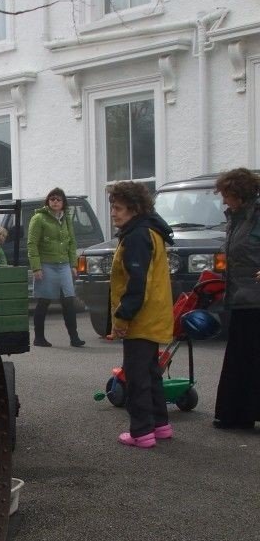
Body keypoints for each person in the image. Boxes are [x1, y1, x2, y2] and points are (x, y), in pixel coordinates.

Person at [108, 181, 174, 448]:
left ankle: (141, 432)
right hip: (154, 315)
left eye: (119, 208)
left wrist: (123, 317)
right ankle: (160, 425)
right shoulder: (150, 231)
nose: (113, 213)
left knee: (136, 378)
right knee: (151, 373)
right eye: (112, 207)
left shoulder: (137, 236)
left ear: (134, 209)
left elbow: (137, 283)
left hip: (141, 319)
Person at [212, 167, 260, 429]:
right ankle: (236, 415)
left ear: (239, 194)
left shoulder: (256, 215)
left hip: (256, 298)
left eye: (226, 194)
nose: (223, 200)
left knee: (250, 358)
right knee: (240, 358)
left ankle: (241, 414)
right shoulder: (237, 217)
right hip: (241, 296)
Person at [27, 187, 84, 347]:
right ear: (47, 201)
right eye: (52, 199)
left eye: (58, 199)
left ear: (63, 202)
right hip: (46, 264)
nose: (55, 202)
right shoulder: (39, 218)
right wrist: (36, 268)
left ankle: (74, 337)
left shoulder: (66, 218)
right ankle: (39, 337)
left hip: (64, 264)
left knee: (68, 300)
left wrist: (73, 264)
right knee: (44, 300)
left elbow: (72, 242)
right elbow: (32, 244)